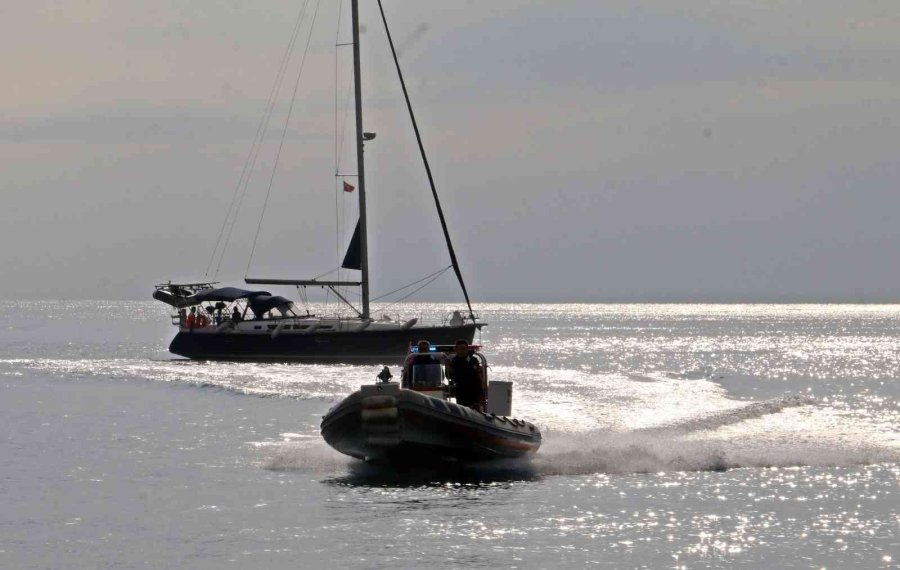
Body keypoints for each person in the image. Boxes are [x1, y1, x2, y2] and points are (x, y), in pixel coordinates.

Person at [447, 339, 483, 410]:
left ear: (467, 349)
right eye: (459, 349)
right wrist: (448, 368)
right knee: (462, 409)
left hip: (472, 389)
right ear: (456, 349)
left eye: (463, 349)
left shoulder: (473, 360)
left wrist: (481, 390)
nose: (461, 351)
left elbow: (476, 375)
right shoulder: (454, 361)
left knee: (474, 409)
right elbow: (449, 376)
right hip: (460, 390)